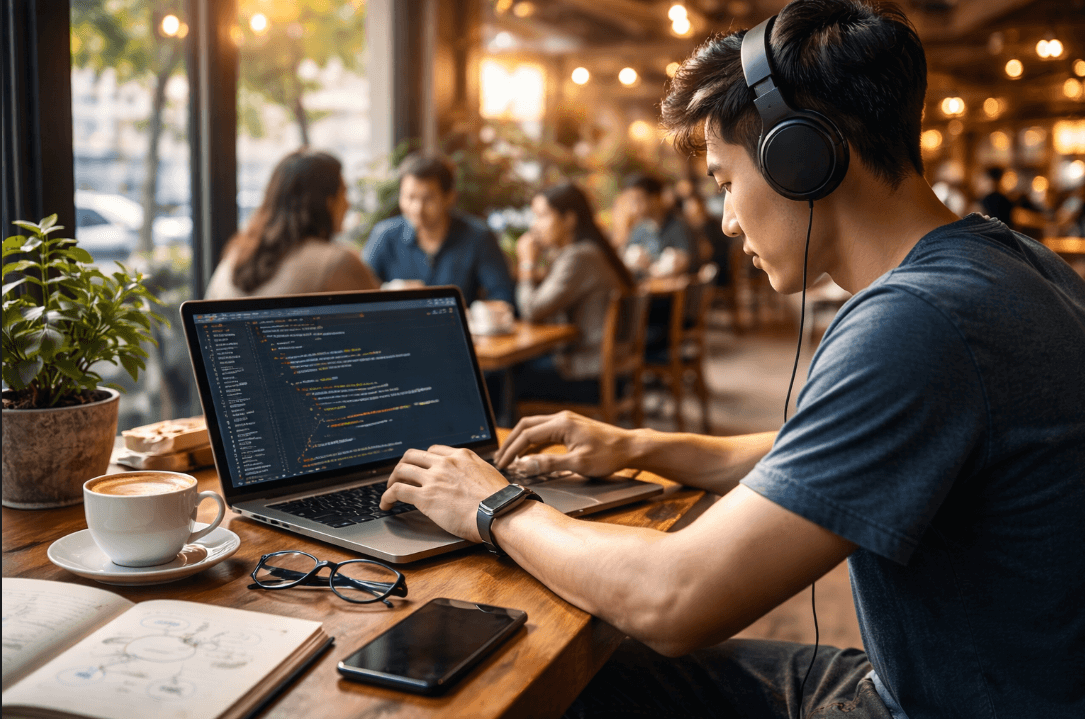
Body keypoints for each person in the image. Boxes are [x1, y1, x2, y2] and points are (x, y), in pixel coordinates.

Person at [380, 2, 1085, 718]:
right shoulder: (1005, 260)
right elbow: (822, 450)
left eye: (723, 180)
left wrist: (491, 505)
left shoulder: (919, 322)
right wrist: (641, 444)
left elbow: (676, 598)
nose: (724, 218)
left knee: (553, 673)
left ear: (801, 159)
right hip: (950, 685)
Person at [512, 183, 636, 403]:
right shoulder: (589, 251)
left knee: (503, 378)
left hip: (590, 377)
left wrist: (527, 262)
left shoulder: (580, 257)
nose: (535, 226)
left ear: (569, 220)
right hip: (610, 371)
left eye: (542, 216)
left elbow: (531, 310)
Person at [205, 149, 380, 299]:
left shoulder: (233, 258)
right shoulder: (336, 262)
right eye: (344, 193)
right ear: (328, 201)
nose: (348, 204)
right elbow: (388, 323)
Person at [363, 152, 515, 306]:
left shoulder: (478, 237)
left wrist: (474, 312)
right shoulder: (384, 235)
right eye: (410, 197)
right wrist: (392, 290)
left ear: (449, 197)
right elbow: (359, 292)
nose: (417, 209)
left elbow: (503, 295)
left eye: (427, 199)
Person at [622, 174, 697, 278]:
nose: (634, 209)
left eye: (638, 200)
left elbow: (690, 263)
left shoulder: (679, 226)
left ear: (655, 198)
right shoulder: (638, 230)